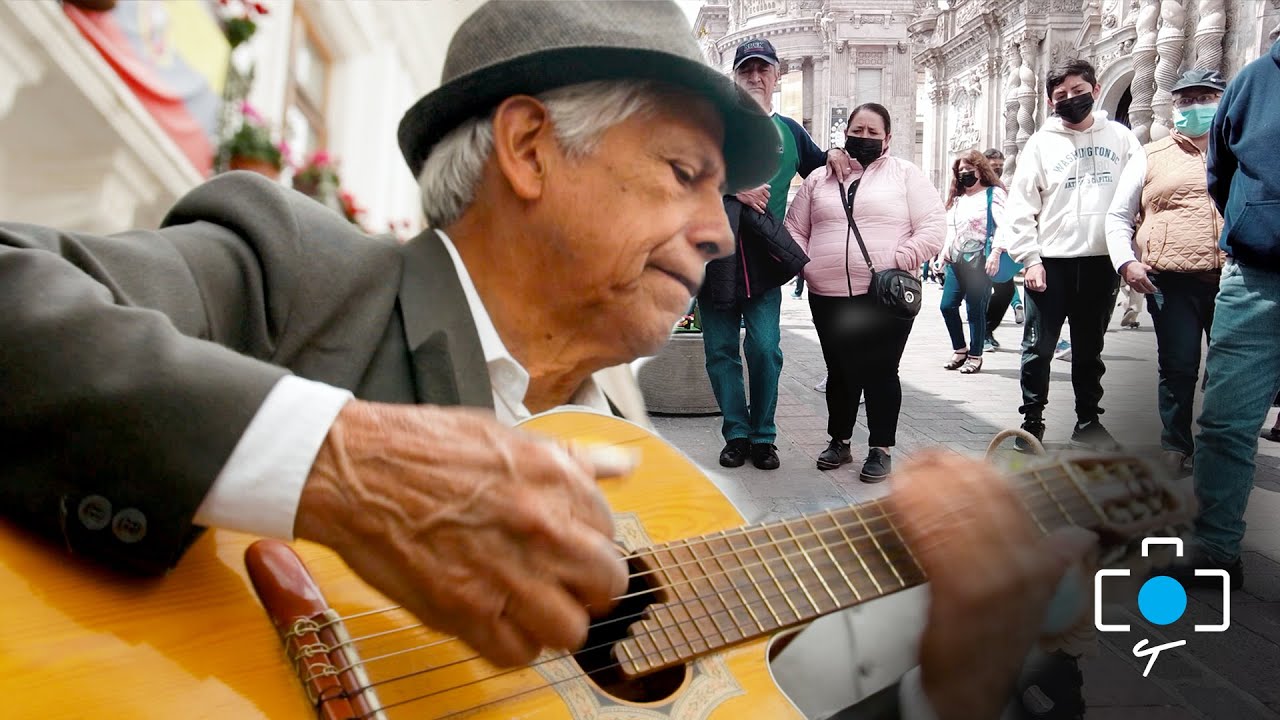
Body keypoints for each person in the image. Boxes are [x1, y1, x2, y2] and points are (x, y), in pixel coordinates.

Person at [0, 2, 1095, 717]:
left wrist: (945, 687)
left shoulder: (638, 462)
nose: (719, 231)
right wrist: (338, 466)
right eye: (681, 173)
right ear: (527, 148)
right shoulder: (292, 271)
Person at [700, 37, 850, 471]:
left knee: (765, 350)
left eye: (763, 69)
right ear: (734, 78)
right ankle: (737, 434)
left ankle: (764, 436)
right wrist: (731, 187)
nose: (755, 76)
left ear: (776, 75)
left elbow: (821, 167)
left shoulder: (790, 132)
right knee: (721, 352)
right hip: (712, 259)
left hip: (764, 264)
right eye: (746, 69)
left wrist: (837, 151)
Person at [785, 103, 945, 481]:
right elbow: (795, 229)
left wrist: (902, 257)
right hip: (828, 295)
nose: (866, 137)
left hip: (883, 294)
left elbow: (934, 225)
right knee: (839, 371)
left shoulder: (905, 175)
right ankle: (839, 442)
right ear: (845, 134)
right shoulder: (818, 180)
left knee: (880, 370)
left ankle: (880, 448)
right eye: (859, 130)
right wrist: (808, 266)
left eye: (874, 132)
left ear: (888, 138)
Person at [1174, 38, 1280, 589]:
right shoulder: (1254, 81)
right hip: (1259, 278)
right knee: (1225, 422)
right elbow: (1221, 172)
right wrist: (1258, 227)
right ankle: (1216, 548)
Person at [999, 59, 1143, 452]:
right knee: (1038, 347)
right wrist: (1030, 259)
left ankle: (1088, 421)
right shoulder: (1040, 144)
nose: (1071, 100)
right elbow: (1020, 207)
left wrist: (1130, 251)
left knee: (1089, 348)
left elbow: (1138, 195)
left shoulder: (1121, 138)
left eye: (1079, 91)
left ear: (1095, 91)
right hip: (1051, 263)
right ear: (1049, 102)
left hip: (1101, 261)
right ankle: (1032, 420)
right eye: (1061, 95)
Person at [1105, 69, 1229, 477]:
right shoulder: (1150, 154)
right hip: (1170, 278)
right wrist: (1127, 261)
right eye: (1185, 100)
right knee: (1177, 365)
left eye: (1204, 97)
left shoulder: (1241, 147)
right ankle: (1175, 443)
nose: (1194, 107)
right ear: (1173, 107)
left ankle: (1221, 441)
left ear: (1223, 100)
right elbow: (1119, 216)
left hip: (1233, 277)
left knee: (1230, 369)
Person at [937, 150, 1005, 375]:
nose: (965, 174)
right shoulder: (957, 199)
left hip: (980, 260)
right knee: (947, 305)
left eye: (969, 170)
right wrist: (943, 254)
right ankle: (960, 349)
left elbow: (1004, 225)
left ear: (980, 170)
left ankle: (975, 356)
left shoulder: (992, 194)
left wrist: (996, 253)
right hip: (956, 259)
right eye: (961, 171)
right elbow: (952, 229)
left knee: (975, 309)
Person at [982, 148, 1024, 352]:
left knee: (1005, 292)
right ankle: (979, 337)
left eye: (1000, 164)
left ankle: (986, 331)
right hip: (979, 249)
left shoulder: (1001, 187)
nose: (998, 167)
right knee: (977, 294)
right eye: (993, 164)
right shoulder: (977, 187)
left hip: (998, 247)